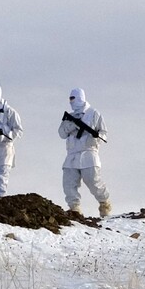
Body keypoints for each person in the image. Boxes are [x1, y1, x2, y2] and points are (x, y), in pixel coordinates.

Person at [59, 88, 111, 216]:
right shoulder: (69, 117)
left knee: (93, 182)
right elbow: (61, 133)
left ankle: (104, 204)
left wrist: (95, 138)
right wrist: (71, 126)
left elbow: (104, 133)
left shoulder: (93, 114)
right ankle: (74, 209)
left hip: (89, 153)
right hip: (72, 155)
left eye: (73, 98)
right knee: (69, 183)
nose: (71, 101)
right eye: (70, 99)